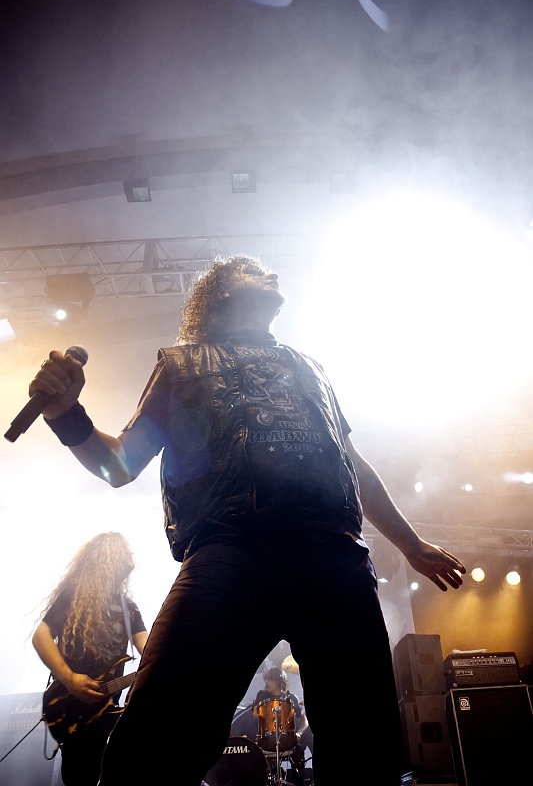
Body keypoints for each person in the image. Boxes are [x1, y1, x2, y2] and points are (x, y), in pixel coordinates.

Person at [28, 255, 466, 786]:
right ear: (222, 295)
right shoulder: (182, 365)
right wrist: (64, 414)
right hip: (231, 555)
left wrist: (412, 545)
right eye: (256, 272)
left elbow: (353, 465)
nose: (275, 275)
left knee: (366, 746)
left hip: (335, 557)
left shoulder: (311, 368)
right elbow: (120, 465)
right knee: (154, 740)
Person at [32, 532, 148, 786]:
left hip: (108, 708)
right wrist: (70, 679)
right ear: (108, 558)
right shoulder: (74, 596)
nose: (131, 560)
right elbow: (41, 636)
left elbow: (148, 648)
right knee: (80, 774)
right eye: (125, 554)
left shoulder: (129, 608)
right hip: (73, 704)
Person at [253, 666, 309, 784]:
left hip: (287, 739)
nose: (266, 682)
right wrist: (257, 711)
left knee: (298, 752)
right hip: (266, 738)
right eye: (266, 679)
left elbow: (304, 718)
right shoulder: (262, 695)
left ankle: (298, 782)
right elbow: (255, 715)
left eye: (269, 679)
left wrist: (299, 732)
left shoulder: (291, 698)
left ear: (279, 681)